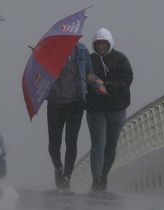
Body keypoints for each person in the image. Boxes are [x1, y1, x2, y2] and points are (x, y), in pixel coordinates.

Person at [46, 42, 98, 191]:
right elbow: (41, 75)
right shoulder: (50, 51)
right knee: (54, 143)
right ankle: (58, 168)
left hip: (76, 102)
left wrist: (98, 84)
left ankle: (67, 176)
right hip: (55, 102)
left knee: (71, 140)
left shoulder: (81, 50)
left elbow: (89, 72)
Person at [86, 28, 133, 192]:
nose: (100, 46)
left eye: (103, 43)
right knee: (98, 143)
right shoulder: (88, 60)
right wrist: (93, 84)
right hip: (95, 109)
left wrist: (108, 85)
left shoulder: (120, 59)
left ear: (109, 43)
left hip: (117, 108)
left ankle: (104, 174)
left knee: (111, 145)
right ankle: (96, 179)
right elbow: (84, 79)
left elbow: (127, 79)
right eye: (98, 43)